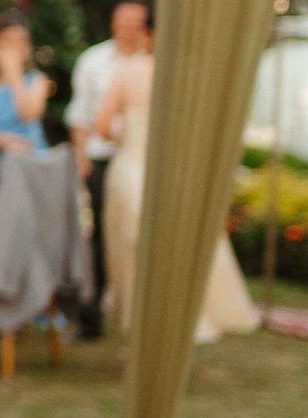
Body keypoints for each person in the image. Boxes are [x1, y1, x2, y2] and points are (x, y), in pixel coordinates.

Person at [91, 40, 262, 342]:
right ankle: (176, 321)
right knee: (172, 242)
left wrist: (127, 135)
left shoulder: (128, 70)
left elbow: (103, 124)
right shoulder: (190, 73)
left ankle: (140, 324)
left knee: (132, 249)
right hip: (173, 171)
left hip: (131, 167)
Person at [66, 0, 150, 337]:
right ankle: (91, 316)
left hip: (142, 160)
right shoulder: (94, 61)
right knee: (98, 238)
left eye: (135, 22)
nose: (127, 28)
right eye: (121, 21)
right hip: (102, 160)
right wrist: (81, 160)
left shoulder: (156, 62)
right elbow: (80, 117)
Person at [0, 12, 52, 166]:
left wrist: (14, 75)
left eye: (21, 42)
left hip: (33, 167)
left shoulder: (36, 80)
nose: (14, 49)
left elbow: (29, 113)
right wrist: (3, 141)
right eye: (7, 42)